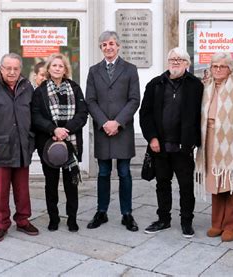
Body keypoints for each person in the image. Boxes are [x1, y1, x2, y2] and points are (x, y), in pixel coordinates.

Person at [139, 47, 204, 238]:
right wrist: (152, 138)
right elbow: (145, 114)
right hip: (160, 146)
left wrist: (193, 141)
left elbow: (201, 115)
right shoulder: (155, 84)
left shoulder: (196, 86)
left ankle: (186, 222)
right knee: (162, 184)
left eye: (180, 59)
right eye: (172, 59)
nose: (175, 62)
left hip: (183, 148)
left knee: (186, 186)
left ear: (187, 63)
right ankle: (163, 219)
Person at [0, 53, 38, 242]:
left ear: (21, 69)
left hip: (22, 147)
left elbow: (34, 117)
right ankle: (1, 224)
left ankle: (23, 220)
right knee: (0, 191)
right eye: (8, 68)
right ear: (1, 69)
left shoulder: (28, 88)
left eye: (16, 68)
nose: (12, 72)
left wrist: (31, 140)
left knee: (22, 189)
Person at [85, 31, 140, 232]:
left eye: (112, 44)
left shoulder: (130, 69)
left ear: (118, 46)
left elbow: (134, 99)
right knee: (103, 172)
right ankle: (102, 211)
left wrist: (117, 122)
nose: (108, 47)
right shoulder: (93, 71)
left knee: (125, 173)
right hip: (102, 130)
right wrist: (104, 122)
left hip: (122, 130)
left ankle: (127, 213)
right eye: (104, 45)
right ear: (101, 48)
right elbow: (90, 100)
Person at [32, 53, 87, 232]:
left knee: (71, 184)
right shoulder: (40, 91)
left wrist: (66, 130)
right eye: (54, 65)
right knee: (51, 183)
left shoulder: (75, 88)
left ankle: (72, 218)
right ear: (48, 69)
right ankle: (53, 218)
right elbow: (35, 116)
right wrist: (53, 129)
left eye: (60, 66)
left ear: (65, 70)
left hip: (70, 142)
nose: (57, 68)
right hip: (49, 143)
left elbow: (82, 114)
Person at [195, 52, 233, 242]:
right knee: (215, 181)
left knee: (231, 182)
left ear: (230, 68)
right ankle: (217, 223)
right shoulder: (206, 85)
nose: (218, 69)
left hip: (232, 139)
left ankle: (232, 225)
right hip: (210, 137)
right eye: (214, 66)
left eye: (222, 66)